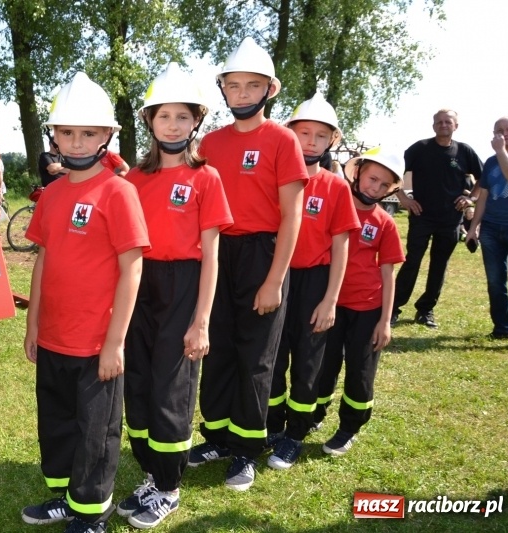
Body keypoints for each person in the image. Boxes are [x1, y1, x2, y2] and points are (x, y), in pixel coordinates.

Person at [21, 71, 149, 533]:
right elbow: (43, 260)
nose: (76, 142)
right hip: (54, 336)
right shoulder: (51, 194)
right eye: (67, 132)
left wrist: (115, 342)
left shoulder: (120, 192)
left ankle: (92, 509)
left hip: (97, 341)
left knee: (97, 430)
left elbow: (132, 267)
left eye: (88, 133)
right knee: (58, 421)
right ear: (53, 135)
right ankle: (65, 495)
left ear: (108, 135)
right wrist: (33, 323)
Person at [187, 37, 308, 492]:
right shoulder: (210, 144)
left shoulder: (283, 141)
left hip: (263, 253)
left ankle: (245, 449)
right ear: (222, 89)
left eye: (251, 85)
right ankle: (216, 436)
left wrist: (275, 279)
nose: (241, 93)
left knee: (256, 357)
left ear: (269, 90)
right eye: (233, 85)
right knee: (216, 348)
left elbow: (292, 214)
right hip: (217, 252)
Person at [119, 62, 232, 529]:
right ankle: (151, 472)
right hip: (139, 284)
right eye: (163, 116)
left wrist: (201, 319)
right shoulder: (133, 180)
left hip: (183, 285)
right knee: (140, 383)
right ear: (149, 121)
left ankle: (169, 487)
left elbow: (211, 255)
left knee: (172, 388)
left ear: (196, 123)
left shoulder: (207, 178)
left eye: (182, 117)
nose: (173, 125)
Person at [266, 93, 360, 470]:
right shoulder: (273, 178)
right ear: (289, 133)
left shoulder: (336, 188)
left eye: (321, 136)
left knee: (307, 361)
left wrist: (330, 300)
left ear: (332, 141)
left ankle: (295, 434)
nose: (310, 142)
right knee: (271, 356)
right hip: (276, 274)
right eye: (303, 132)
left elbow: (342, 248)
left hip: (314, 281)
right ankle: (272, 426)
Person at [313, 147, 405, 456]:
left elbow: (388, 274)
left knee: (360, 371)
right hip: (331, 304)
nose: (375, 188)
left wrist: (385, 321)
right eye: (372, 179)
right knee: (323, 366)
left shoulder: (384, 223)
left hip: (367, 310)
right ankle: (314, 413)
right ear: (358, 173)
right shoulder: (333, 206)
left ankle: (349, 427)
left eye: (384, 185)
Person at [391, 109, 483, 329]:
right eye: (439, 122)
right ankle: (393, 307)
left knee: (439, 265)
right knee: (411, 262)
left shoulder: (464, 151)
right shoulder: (420, 148)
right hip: (421, 216)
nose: (443, 125)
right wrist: (403, 198)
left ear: (455, 126)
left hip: (450, 219)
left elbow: (483, 177)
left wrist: (471, 197)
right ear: (433, 126)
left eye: (448, 121)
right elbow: (394, 170)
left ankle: (425, 310)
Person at [466, 117, 508, 345]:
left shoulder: (502, 156)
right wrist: (473, 227)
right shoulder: (489, 162)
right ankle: (501, 328)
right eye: (499, 130)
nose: (504, 133)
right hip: (491, 230)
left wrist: (500, 151)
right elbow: (483, 196)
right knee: (495, 282)